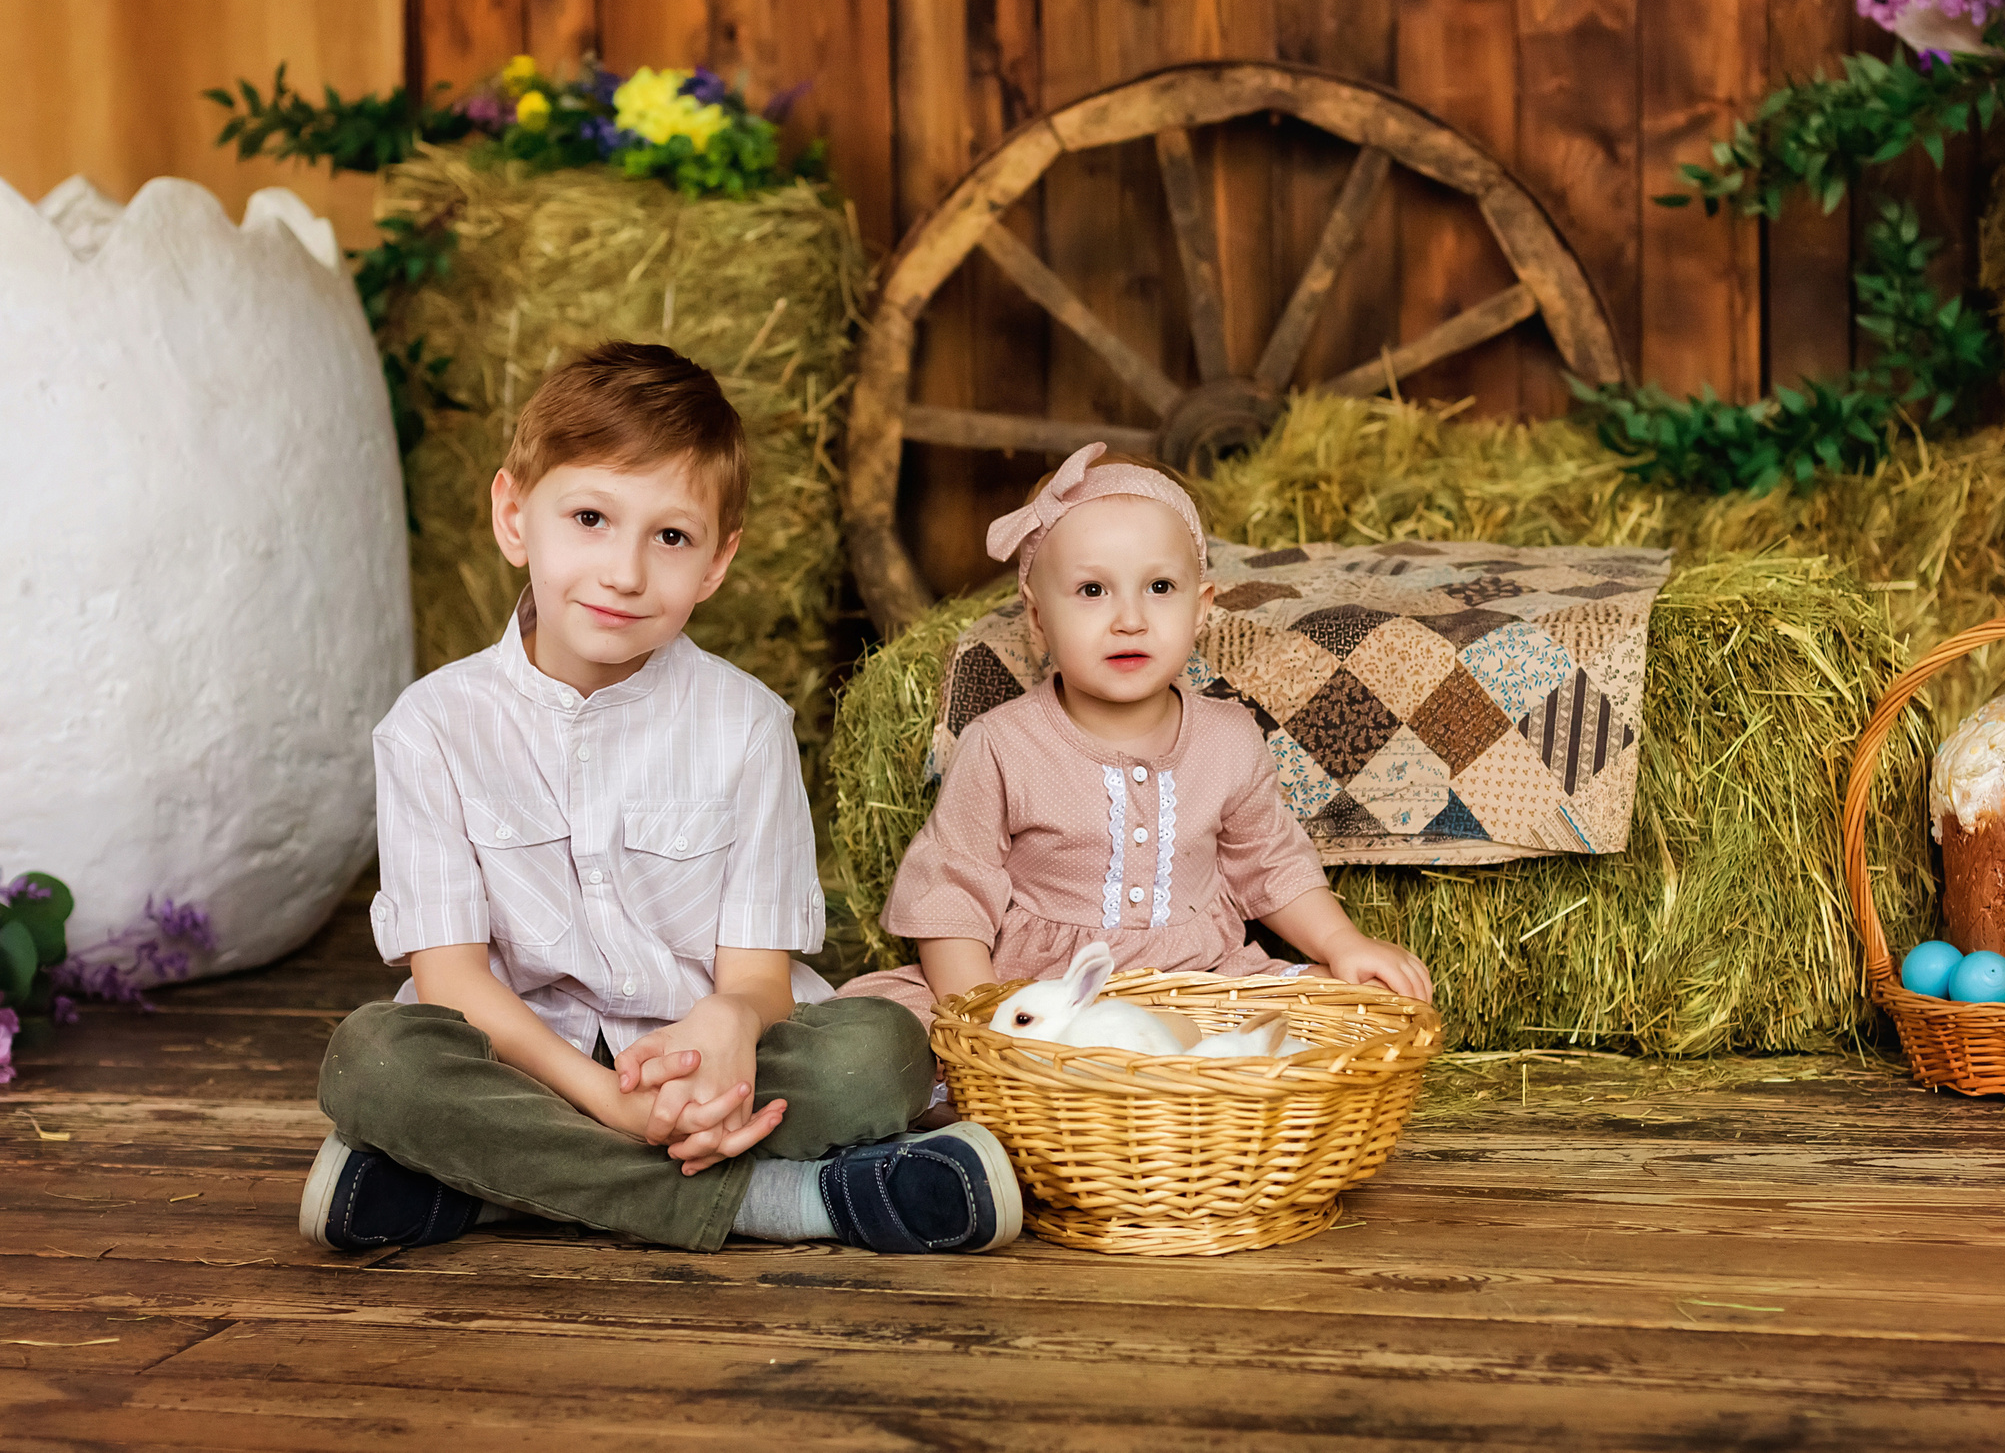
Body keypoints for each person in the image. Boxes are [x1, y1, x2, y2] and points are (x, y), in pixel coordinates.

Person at [302, 341, 1018, 1256]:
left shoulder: (747, 725)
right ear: (514, 518)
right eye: (590, 518)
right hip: (526, 1059)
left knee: (880, 1054)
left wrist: (726, 1025)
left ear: (716, 563)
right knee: (377, 1062)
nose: (626, 572)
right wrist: (607, 1100)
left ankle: (487, 1187)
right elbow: (452, 983)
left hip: (713, 1064)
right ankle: (791, 1201)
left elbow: (756, 982)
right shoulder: (430, 727)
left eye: (670, 537)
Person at [840, 443, 1433, 1023]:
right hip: (1046, 996)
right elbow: (953, 895)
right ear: (1038, 618)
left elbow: (1270, 863)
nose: (1130, 620)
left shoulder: (1229, 740)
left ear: (1201, 607)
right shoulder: (1004, 746)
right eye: (1092, 590)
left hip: (1198, 986)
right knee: (892, 1031)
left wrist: (1342, 943)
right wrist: (987, 1022)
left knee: (1369, 1004)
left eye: (1160, 588)